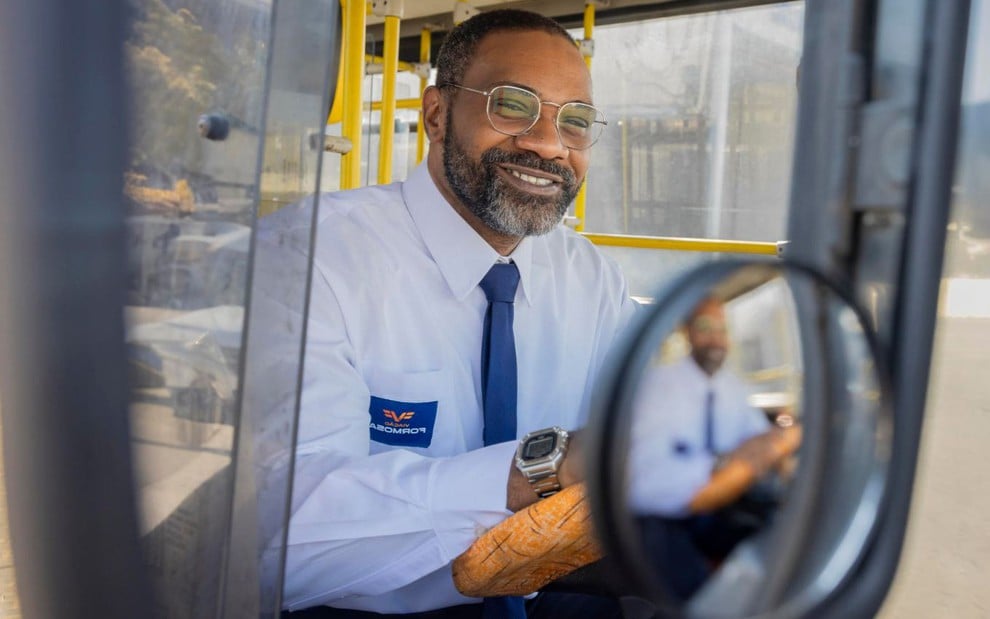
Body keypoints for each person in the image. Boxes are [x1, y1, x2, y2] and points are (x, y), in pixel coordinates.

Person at [262, 9, 639, 618]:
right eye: (512, 107)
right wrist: (532, 474)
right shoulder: (307, 261)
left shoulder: (590, 277)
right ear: (436, 114)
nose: (548, 144)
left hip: (549, 598)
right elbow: (282, 540)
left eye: (575, 121)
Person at [628, 297, 798, 599]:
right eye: (706, 327)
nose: (716, 337)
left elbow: (760, 439)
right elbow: (649, 485)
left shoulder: (732, 388)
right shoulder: (658, 387)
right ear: (687, 332)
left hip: (720, 508)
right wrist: (725, 467)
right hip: (669, 517)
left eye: (722, 328)